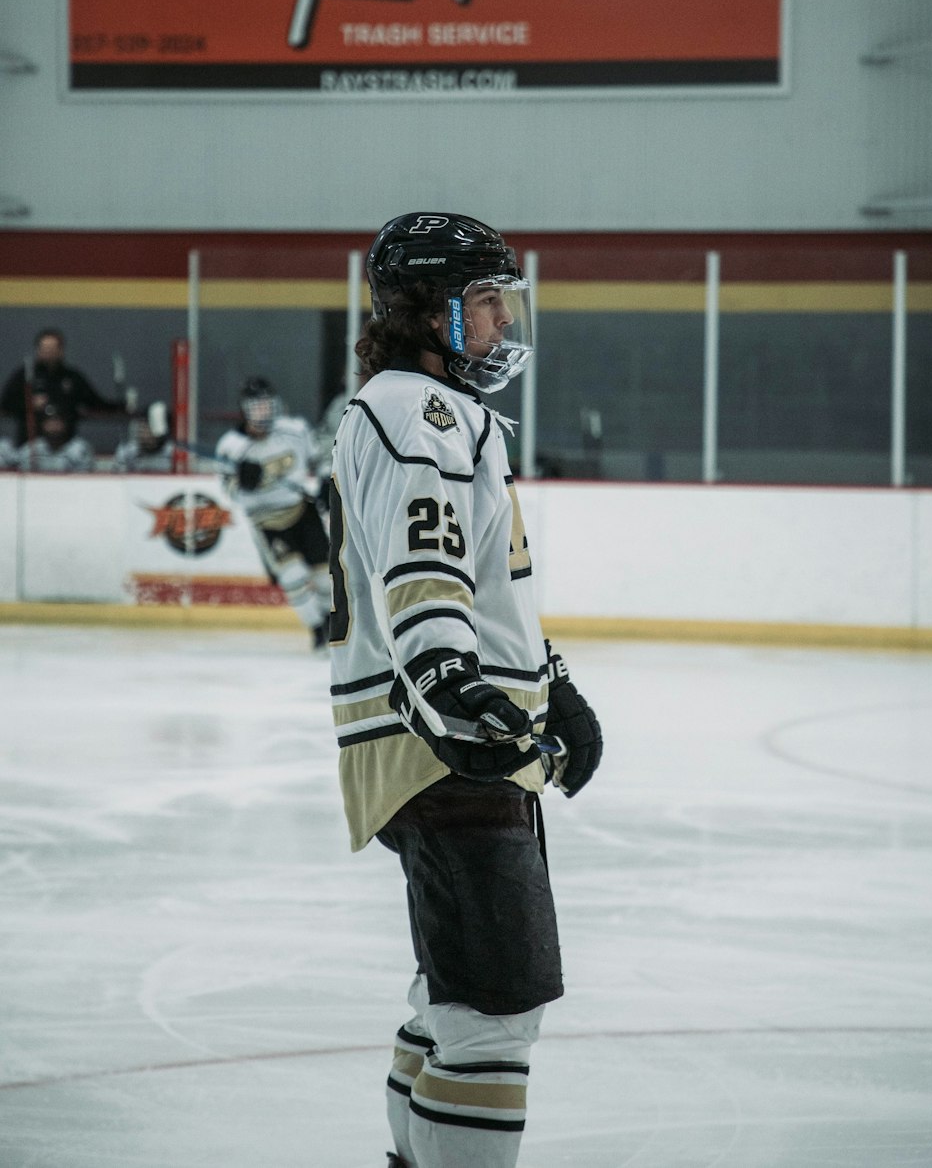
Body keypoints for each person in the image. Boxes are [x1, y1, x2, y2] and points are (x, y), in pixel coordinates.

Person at [328, 212, 603, 1168]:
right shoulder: (423, 411)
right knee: (494, 1013)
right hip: (445, 747)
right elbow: (425, 564)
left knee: (451, 1002)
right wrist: (451, 683)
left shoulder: (410, 408)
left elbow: (479, 582)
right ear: (425, 312)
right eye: (482, 302)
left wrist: (548, 682)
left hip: (433, 742)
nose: (498, 321)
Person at [216, 376, 330, 649]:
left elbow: (322, 457)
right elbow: (230, 492)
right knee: (292, 576)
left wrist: (327, 482)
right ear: (245, 409)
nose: (263, 412)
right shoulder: (231, 447)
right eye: (257, 407)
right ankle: (317, 629)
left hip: (302, 510)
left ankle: (333, 622)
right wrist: (244, 482)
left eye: (267, 405)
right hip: (266, 520)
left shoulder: (295, 430)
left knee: (325, 576)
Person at [0, 327, 131, 448]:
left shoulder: (72, 378)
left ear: (61, 350)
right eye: (45, 349)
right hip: (31, 446)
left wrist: (122, 406)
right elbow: (5, 404)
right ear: (38, 350)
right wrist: (29, 403)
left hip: (66, 448)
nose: (48, 353)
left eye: (52, 349)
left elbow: (95, 403)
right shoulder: (25, 376)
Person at [17, 402, 95, 472]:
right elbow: (24, 476)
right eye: (49, 422)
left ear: (65, 424)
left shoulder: (79, 449)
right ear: (42, 425)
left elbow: (83, 480)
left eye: (57, 421)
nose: (53, 426)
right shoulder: (31, 449)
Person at [111, 400, 176, 473]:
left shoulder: (174, 454)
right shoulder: (127, 452)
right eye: (140, 426)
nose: (141, 431)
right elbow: (117, 480)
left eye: (146, 426)